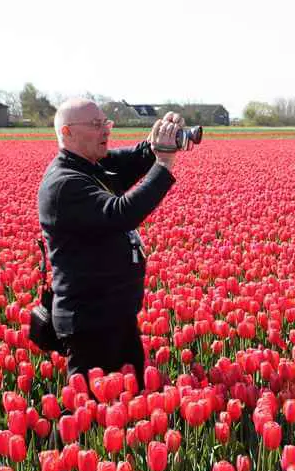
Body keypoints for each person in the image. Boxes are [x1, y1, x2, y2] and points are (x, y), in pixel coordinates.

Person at [37, 98, 185, 386]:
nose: (105, 130)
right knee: (90, 413)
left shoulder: (93, 166)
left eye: (105, 123)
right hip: (90, 322)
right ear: (67, 133)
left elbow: (134, 160)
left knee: (127, 408)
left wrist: (160, 139)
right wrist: (164, 164)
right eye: (95, 125)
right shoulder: (65, 183)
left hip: (114, 315)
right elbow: (121, 214)